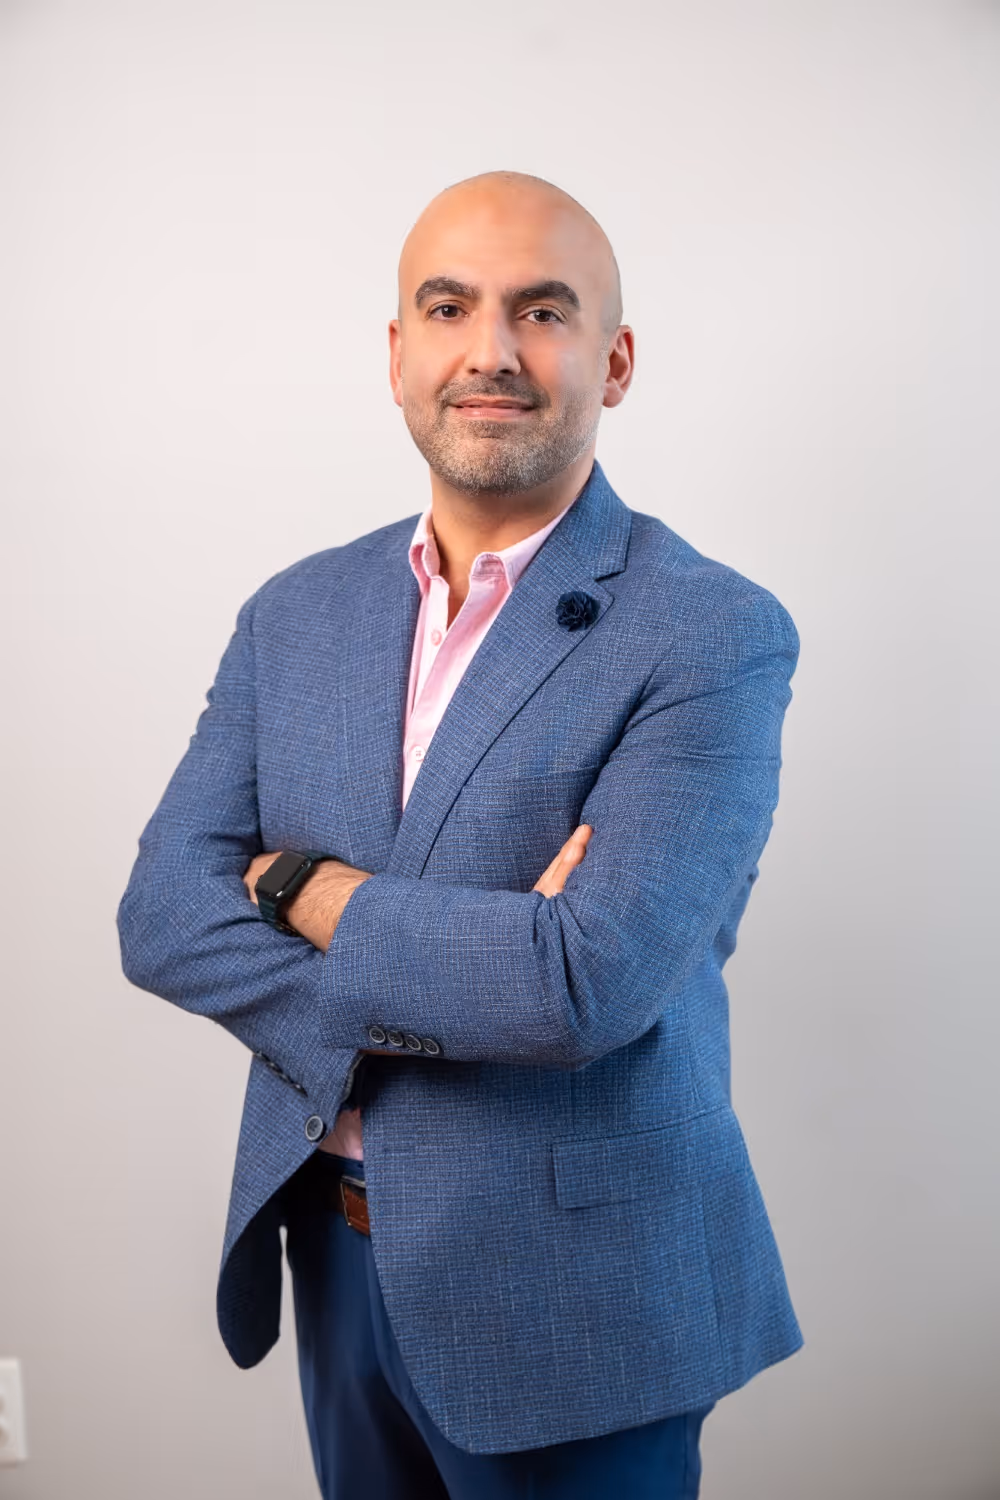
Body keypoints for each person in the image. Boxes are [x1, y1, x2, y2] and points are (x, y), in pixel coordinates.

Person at [117, 169, 804, 1499]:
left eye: (542, 311)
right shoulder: (295, 613)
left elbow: (582, 983)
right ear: (398, 355)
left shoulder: (712, 632)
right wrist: (480, 956)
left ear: (615, 359)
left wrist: (300, 889)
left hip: (578, 1285)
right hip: (331, 1247)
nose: (491, 350)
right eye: (449, 308)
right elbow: (162, 916)